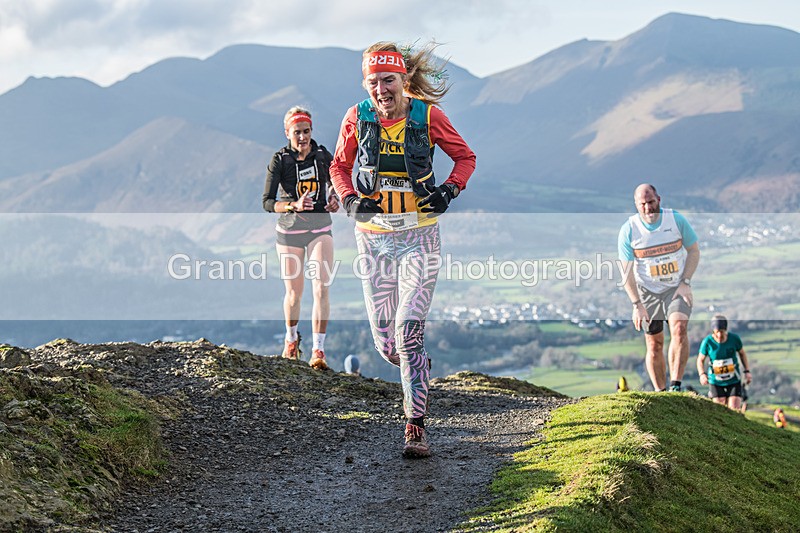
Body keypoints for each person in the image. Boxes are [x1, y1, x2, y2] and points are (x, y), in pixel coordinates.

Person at [330, 41, 476, 458]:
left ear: (404, 80)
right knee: (387, 345)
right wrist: (351, 199)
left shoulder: (428, 116)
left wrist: (449, 190)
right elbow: (339, 167)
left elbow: (465, 158)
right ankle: (419, 371)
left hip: (419, 236)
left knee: (408, 331)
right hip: (373, 237)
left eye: (388, 81)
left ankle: (415, 427)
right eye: (373, 82)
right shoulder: (356, 117)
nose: (381, 90)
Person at [262, 106, 339, 370]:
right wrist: (293, 205)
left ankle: (318, 350)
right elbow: (267, 202)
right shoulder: (280, 160)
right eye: (297, 132)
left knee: (321, 287)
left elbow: (337, 180)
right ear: (287, 133)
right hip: (290, 231)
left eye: (306, 131)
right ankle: (291, 340)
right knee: (294, 293)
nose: (303, 137)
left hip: (319, 227)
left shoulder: (321, 155)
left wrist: (334, 197)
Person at [619, 184, 700, 392]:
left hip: (676, 288)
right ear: (636, 205)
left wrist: (686, 282)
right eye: (642, 204)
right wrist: (636, 304)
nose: (647, 208)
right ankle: (660, 391)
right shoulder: (629, 230)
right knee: (654, 343)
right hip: (648, 292)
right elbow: (626, 271)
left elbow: (693, 250)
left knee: (679, 328)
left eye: (651, 202)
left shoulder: (676, 220)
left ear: (659, 200)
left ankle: (675, 385)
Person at [697, 315, 752, 411]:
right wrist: (702, 374)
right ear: (713, 331)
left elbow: (742, 354)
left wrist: (747, 371)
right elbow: (700, 360)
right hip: (716, 380)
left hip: (733, 379)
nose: (719, 335)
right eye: (717, 332)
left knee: (734, 409)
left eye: (722, 332)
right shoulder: (707, 342)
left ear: (725, 330)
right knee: (720, 410)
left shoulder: (734, 339)